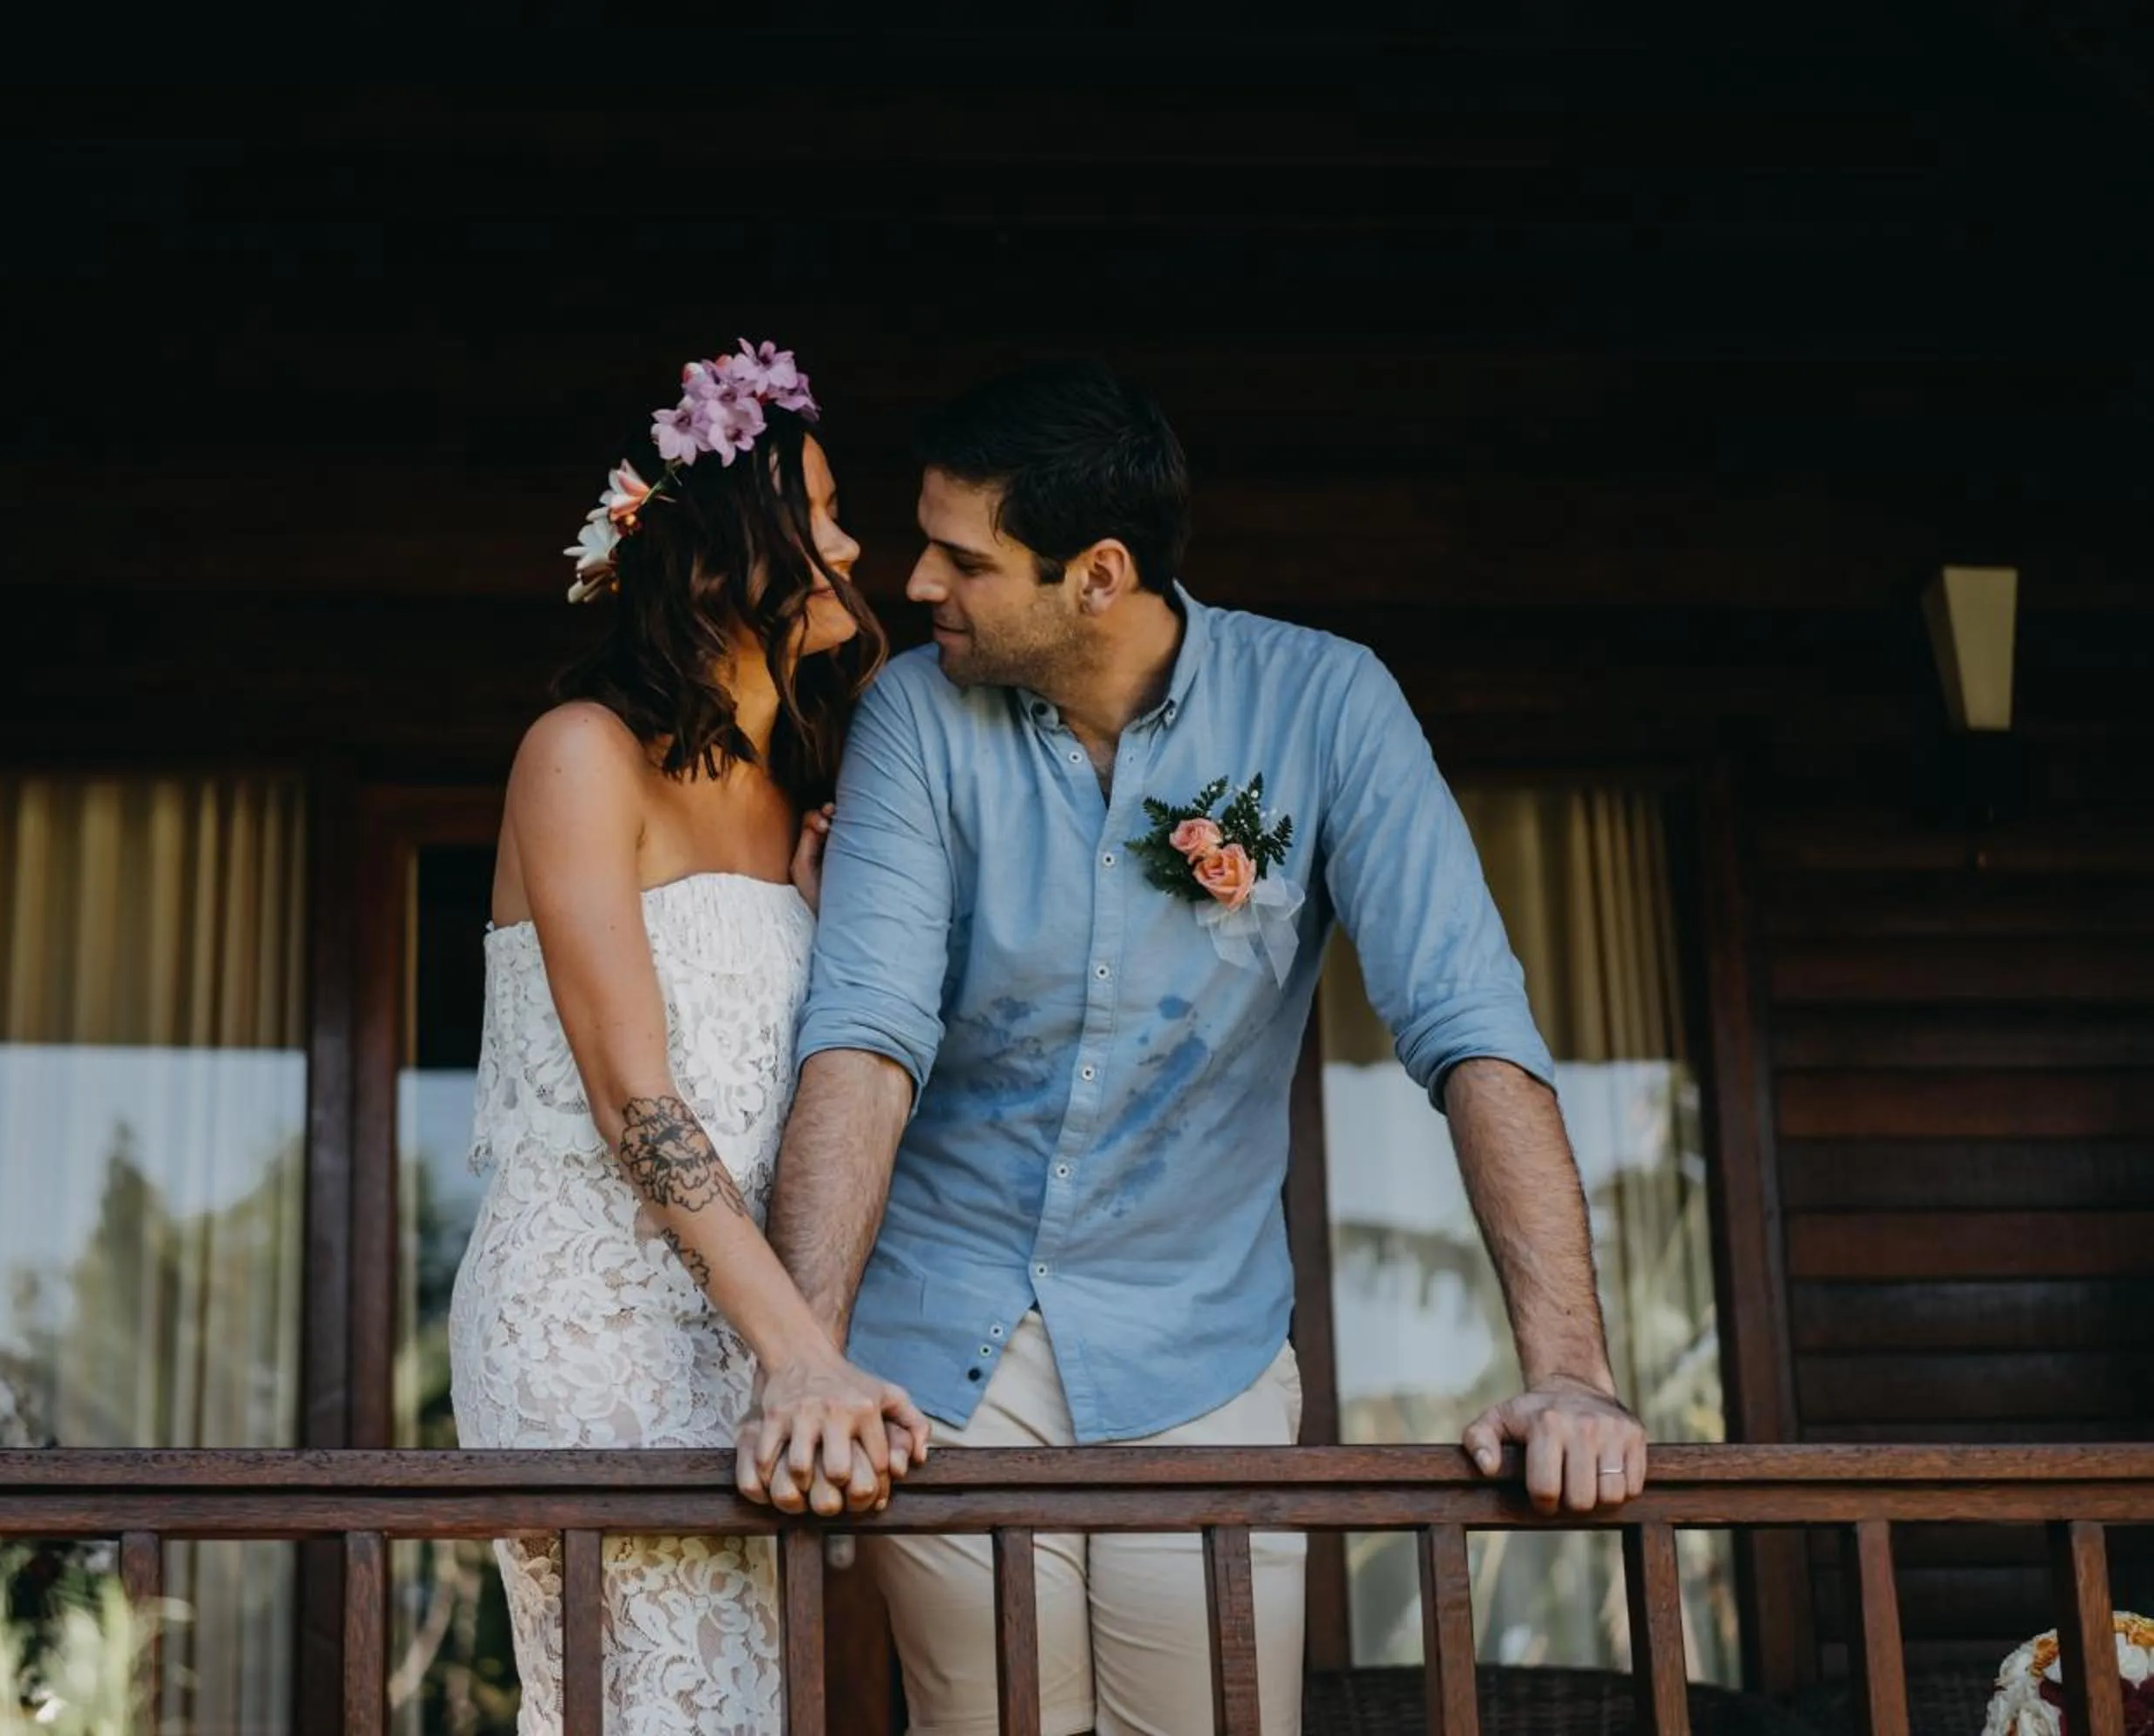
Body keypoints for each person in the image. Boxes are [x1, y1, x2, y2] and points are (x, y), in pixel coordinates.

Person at [738, 358, 1650, 1736]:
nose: (917, 584)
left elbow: (1470, 1027)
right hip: (944, 1343)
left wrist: (1571, 1372)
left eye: (964, 561)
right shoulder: (913, 715)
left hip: (1200, 1348)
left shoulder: (1328, 705)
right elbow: (865, 1036)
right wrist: (805, 1362)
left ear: (1098, 576)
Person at [448, 340, 928, 1733]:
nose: (852, 546)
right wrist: (801, 1355)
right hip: (595, 1318)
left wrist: (826, 930)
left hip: (755, 1331)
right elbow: (634, 1101)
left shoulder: (804, 796)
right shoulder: (580, 755)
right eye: (822, 512)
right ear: (728, 549)